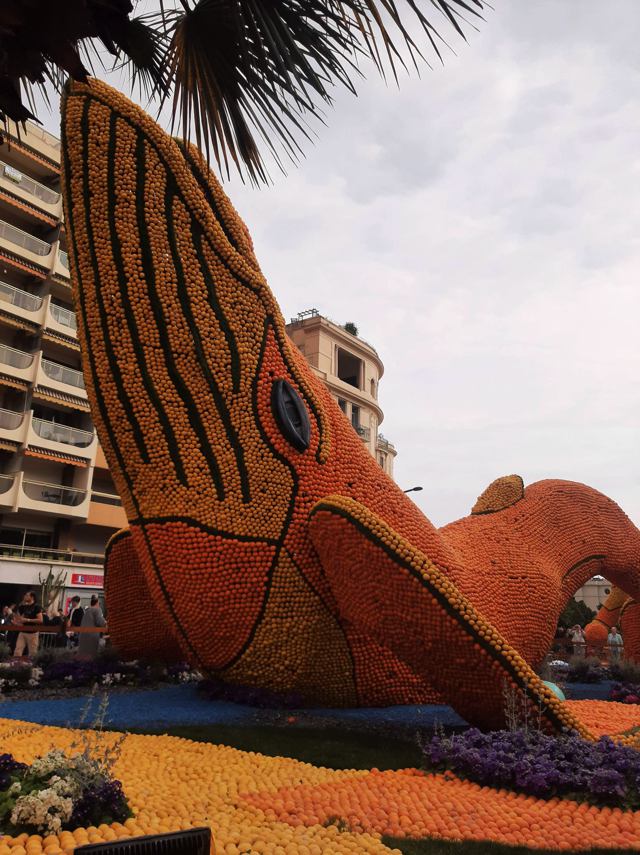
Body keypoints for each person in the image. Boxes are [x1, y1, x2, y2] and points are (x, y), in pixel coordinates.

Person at [14, 591, 43, 658]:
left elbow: (40, 620)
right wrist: (18, 622)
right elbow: (18, 617)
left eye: (27, 595)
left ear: (32, 597)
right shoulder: (23, 606)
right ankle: (15, 663)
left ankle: (31, 664)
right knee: (17, 651)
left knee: (33, 653)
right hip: (22, 632)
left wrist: (27, 620)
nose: (25, 596)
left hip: (33, 633)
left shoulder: (37, 607)